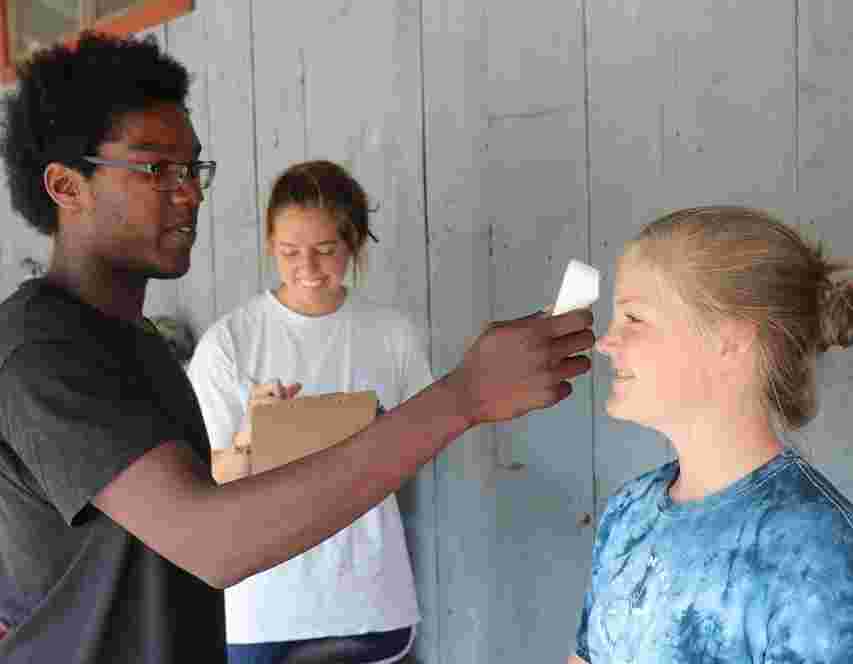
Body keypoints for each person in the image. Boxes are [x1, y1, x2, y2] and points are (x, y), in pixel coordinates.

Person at [0, 31, 595, 664]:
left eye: (193, 166)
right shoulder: (45, 348)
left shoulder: (136, 344)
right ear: (66, 186)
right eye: (155, 168)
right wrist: (465, 395)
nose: (190, 191)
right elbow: (212, 541)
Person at [569, 206, 853, 664]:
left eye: (634, 319)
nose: (606, 342)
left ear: (730, 338)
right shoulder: (628, 512)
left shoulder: (818, 552)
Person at [186, 160, 432, 663]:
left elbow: (424, 448)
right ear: (270, 245)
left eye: (326, 251)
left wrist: (381, 433)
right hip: (258, 607)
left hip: (368, 601)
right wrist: (250, 438)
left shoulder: (392, 335)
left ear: (355, 243)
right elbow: (205, 477)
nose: (308, 268)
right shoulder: (230, 342)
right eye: (289, 252)